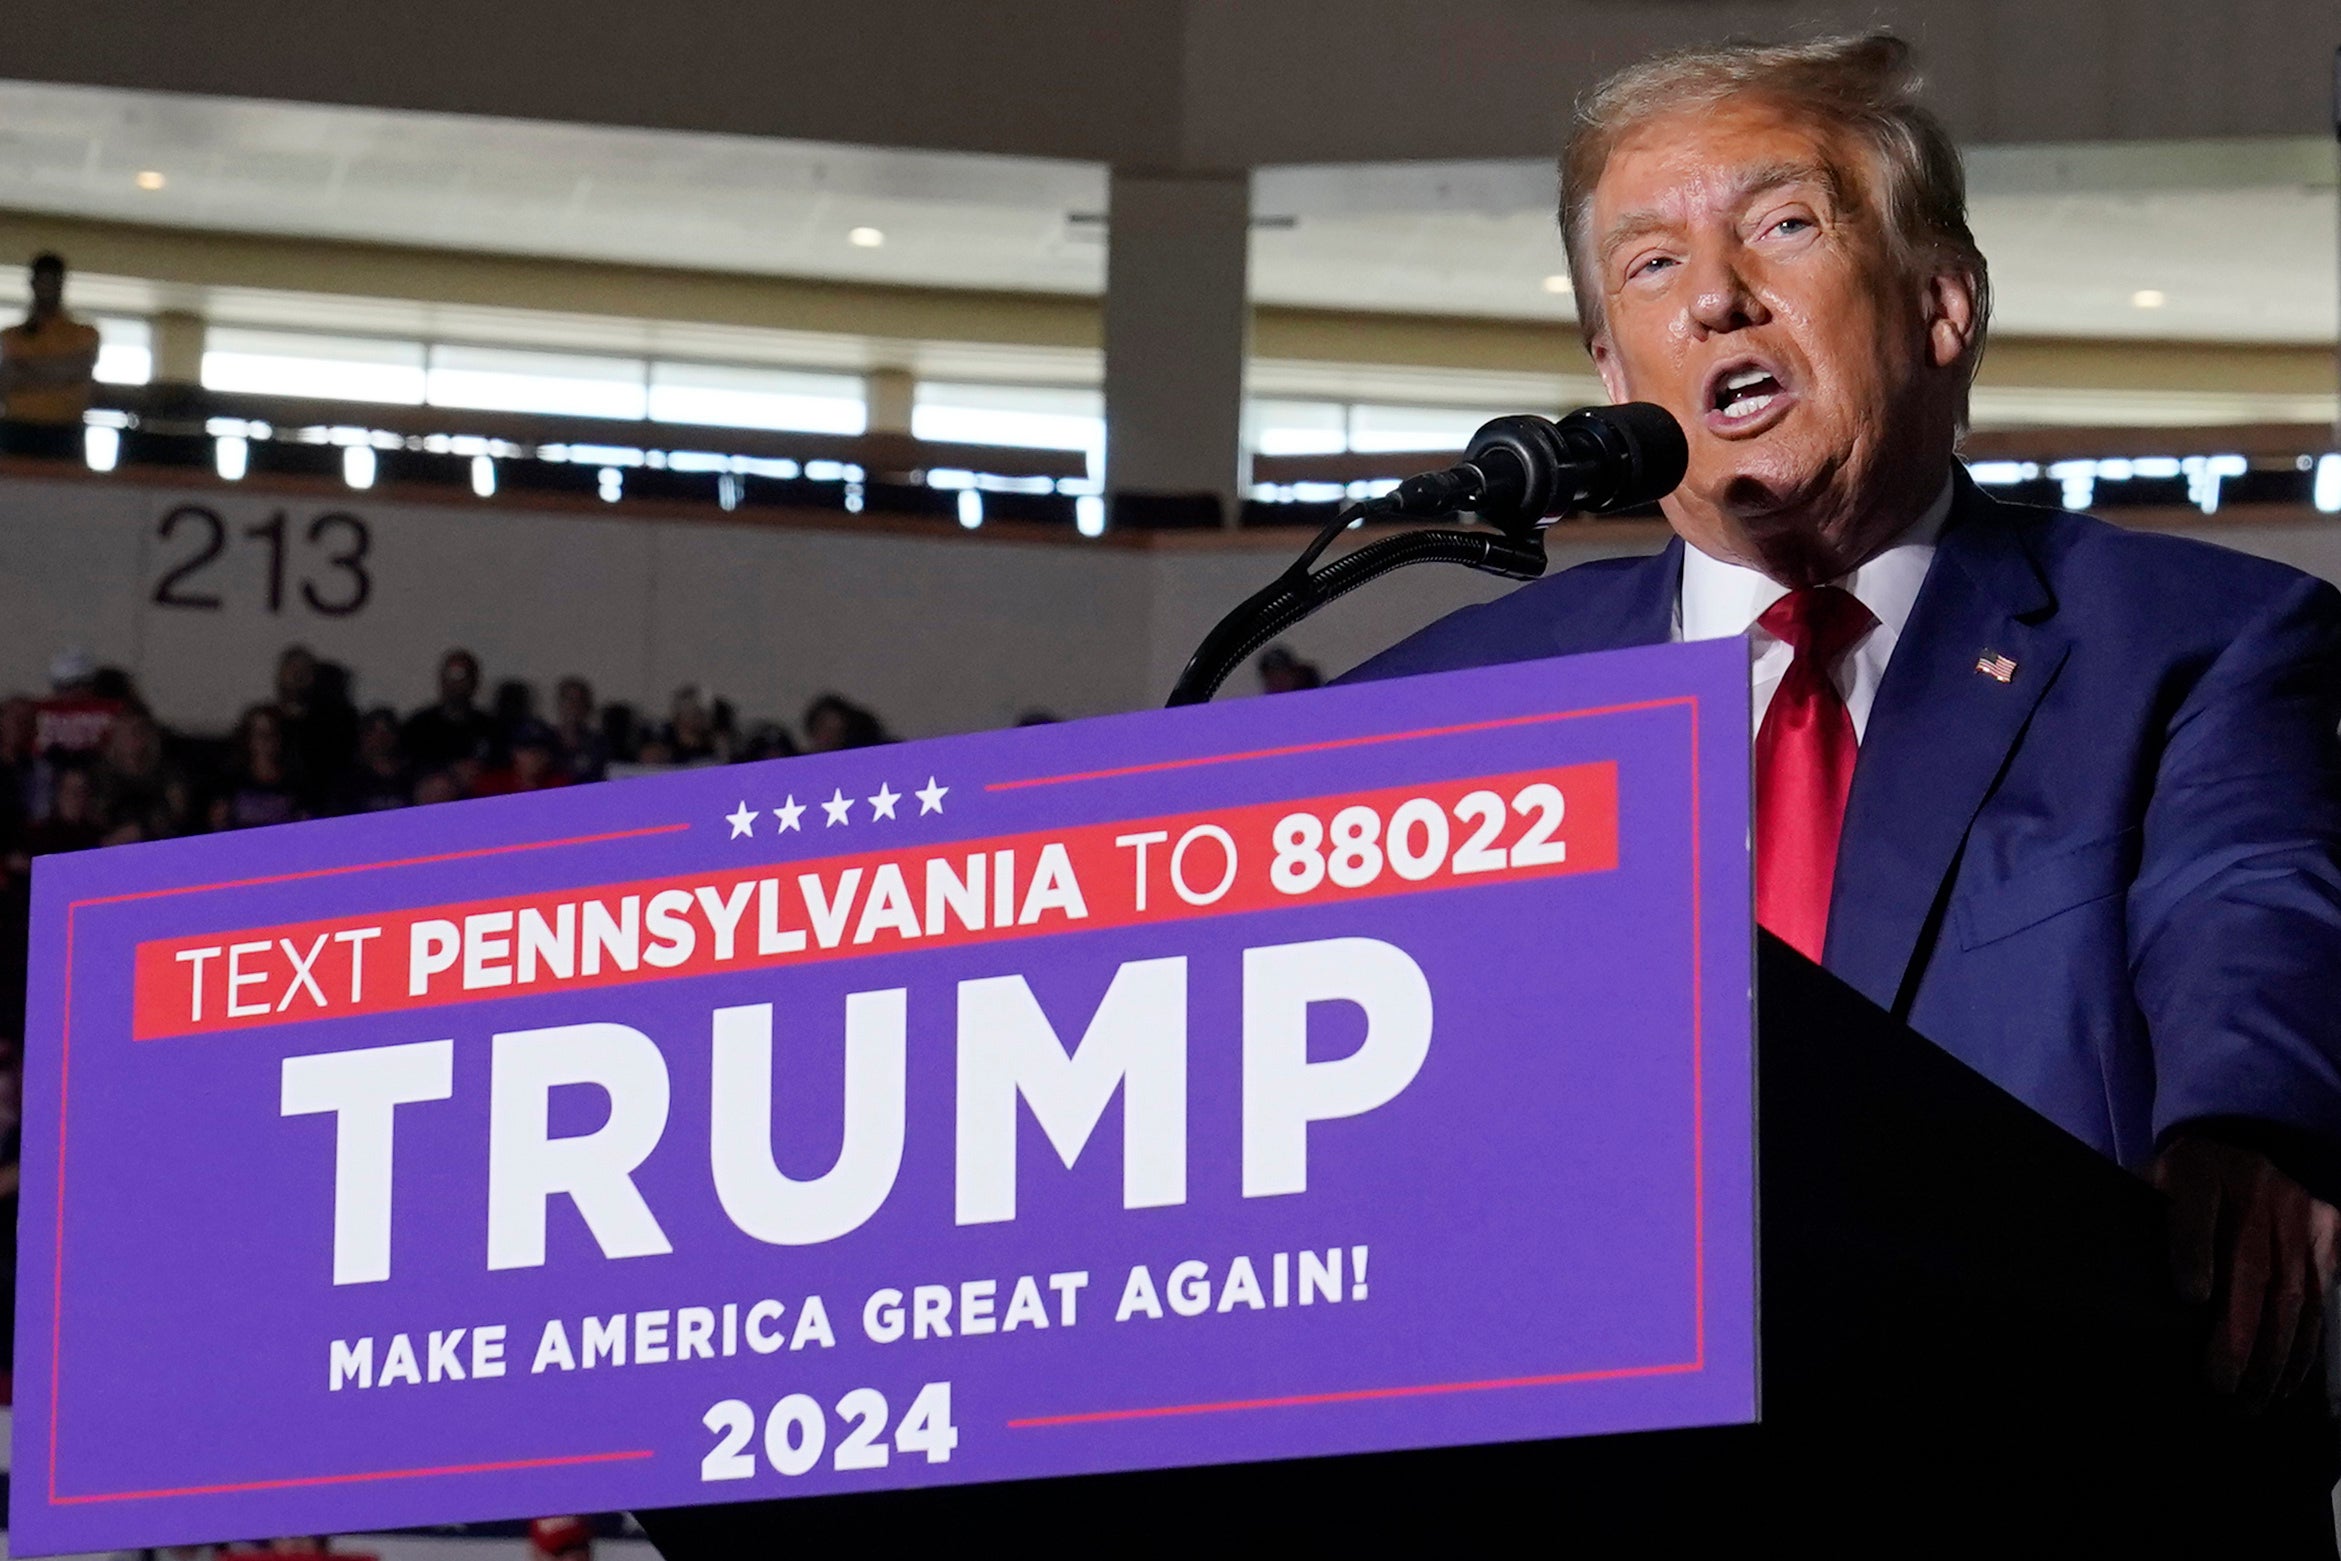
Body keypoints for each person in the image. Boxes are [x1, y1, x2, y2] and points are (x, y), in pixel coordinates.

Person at [1341, 31, 2341, 1530]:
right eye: (1650, 265)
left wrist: (2255, 1122)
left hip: (2034, 1478)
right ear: (1611, 372)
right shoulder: (1445, 711)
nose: (1717, 296)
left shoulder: (2195, 646)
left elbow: (2249, 897)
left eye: (1784, 225)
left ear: (1943, 305)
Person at [0, 253, 100, 427]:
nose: (47, 289)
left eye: (52, 282)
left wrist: (25, 371)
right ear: (32, 284)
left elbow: (78, 369)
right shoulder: (11, 336)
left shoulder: (85, 334)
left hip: (66, 430)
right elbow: (7, 378)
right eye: (42, 282)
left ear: (61, 284)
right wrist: (60, 373)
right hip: (17, 429)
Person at [400, 648, 495, 781]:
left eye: (462, 676)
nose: (456, 684)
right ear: (441, 680)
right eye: (451, 676)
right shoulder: (418, 726)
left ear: (475, 681)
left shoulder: (491, 728)